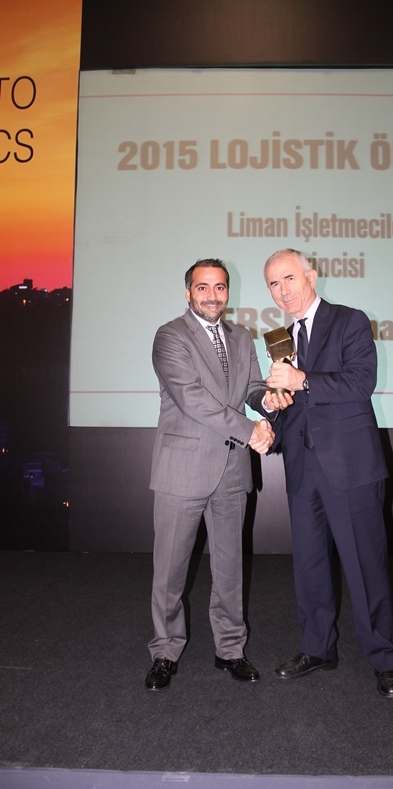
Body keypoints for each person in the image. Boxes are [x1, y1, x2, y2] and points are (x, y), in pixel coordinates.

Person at [262, 248, 393, 697]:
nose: (282, 290)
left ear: (311, 275)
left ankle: (384, 658)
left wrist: (301, 379)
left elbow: (362, 381)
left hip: (351, 467)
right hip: (302, 467)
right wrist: (272, 408)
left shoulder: (349, 320)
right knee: (309, 565)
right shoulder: (281, 339)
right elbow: (294, 406)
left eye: (289, 278)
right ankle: (318, 647)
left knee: (364, 565)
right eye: (273, 284)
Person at [145, 258, 275, 690]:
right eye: (203, 287)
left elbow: (252, 388)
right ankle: (165, 651)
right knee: (170, 570)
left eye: (220, 287)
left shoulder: (242, 336)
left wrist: (269, 402)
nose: (212, 295)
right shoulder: (170, 336)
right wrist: (250, 430)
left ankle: (231, 649)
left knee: (230, 567)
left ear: (227, 292)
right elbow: (192, 398)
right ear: (188, 293)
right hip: (183, 469)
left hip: (232, 470)